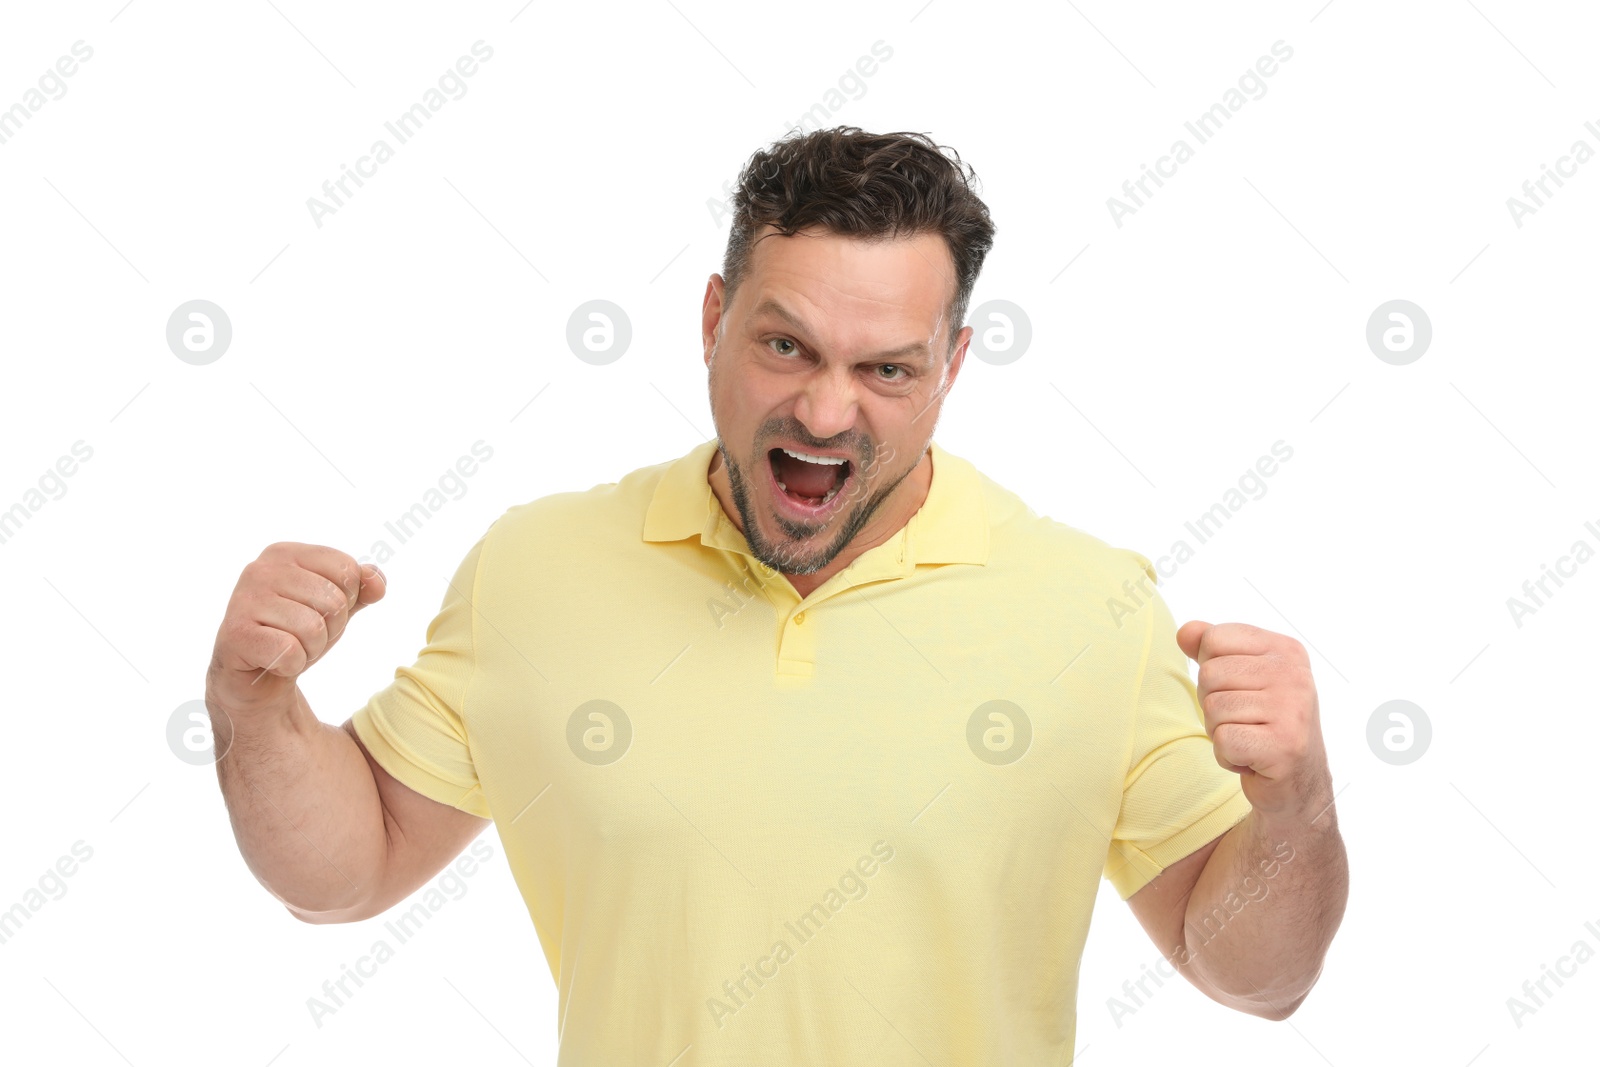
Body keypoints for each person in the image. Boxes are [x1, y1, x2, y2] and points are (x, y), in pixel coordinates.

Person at [207, 126, 1347, 1064]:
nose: (822, 412)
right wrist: (255, 705)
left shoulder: (1088, 604)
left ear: (951, 366)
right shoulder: (537, 568)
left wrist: (1295, 811)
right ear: (712, 322)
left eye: (886, 367)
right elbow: (349, 870)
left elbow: (1251, 977)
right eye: (786, 346)